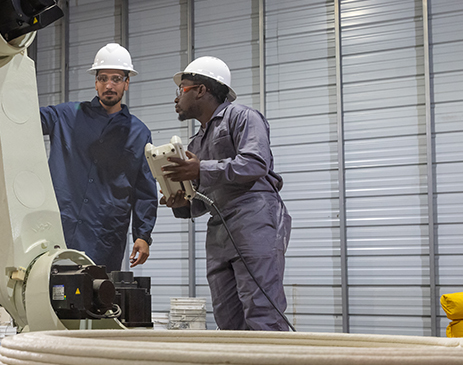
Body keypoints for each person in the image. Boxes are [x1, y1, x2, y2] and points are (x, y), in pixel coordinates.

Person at [161, 56, 291, 331]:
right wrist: (180, 201)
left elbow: (256, 163)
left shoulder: (242, 116)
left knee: (262, 312)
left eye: (181, 89)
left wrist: (200, 169)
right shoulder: (197, 141)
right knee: (228, 319)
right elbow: (199, 204)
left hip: (254, 219)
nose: (176, 99)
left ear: (200, 89)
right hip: (220, 229)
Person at [39, 43, 157, 273]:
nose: (109, 85)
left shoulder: (139, 132)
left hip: (103, 235)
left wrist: (143, 235)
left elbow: (144, 188)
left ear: (126, 83)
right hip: (58, 230)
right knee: (49, 295)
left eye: (116, 78)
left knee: (94, 300)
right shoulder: (66, 116)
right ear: (95, 82)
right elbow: (23, 117)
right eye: (103, 78)